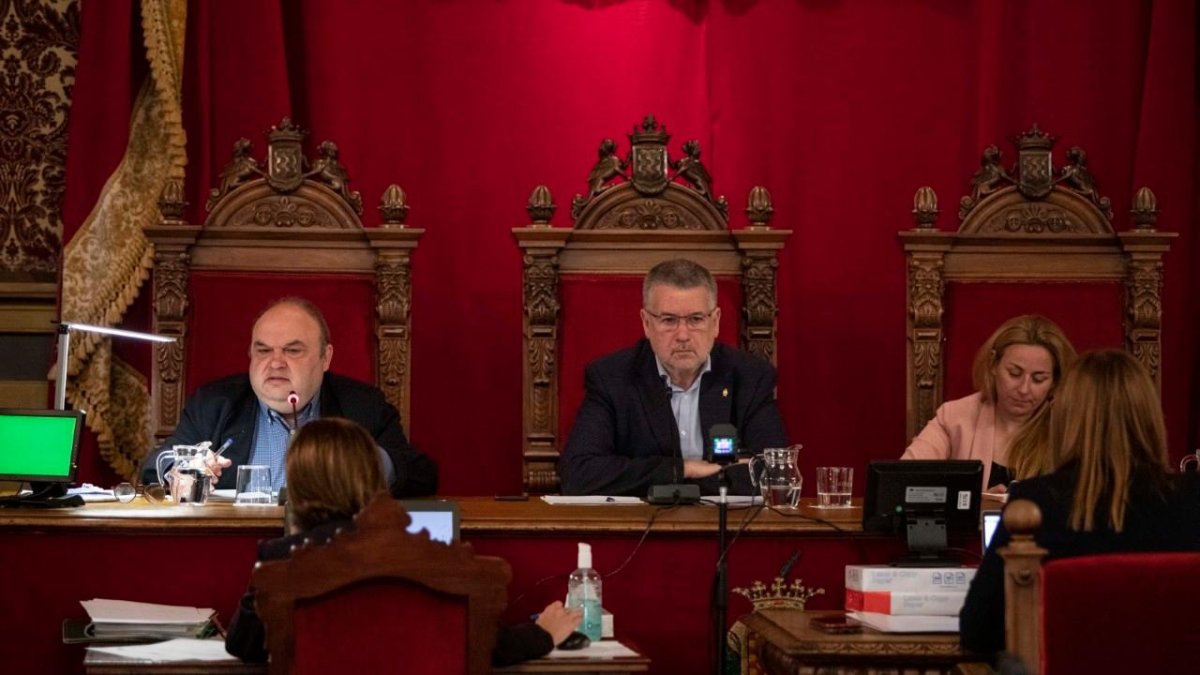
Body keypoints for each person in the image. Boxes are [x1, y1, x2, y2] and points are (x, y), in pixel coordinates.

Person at [225, 418, 581, 666]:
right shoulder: (428, 553)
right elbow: (487, 646)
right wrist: (542, 633)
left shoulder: (280, 558)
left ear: (298, 484)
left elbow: (242, 645)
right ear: (371, 475)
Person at [959, 350, 1200, 654]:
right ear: (1151, 416)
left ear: (1067, 418)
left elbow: (978, 630)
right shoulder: (1192, 498)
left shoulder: (1036, 503)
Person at [139, 297, 437, 497]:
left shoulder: (362, 406)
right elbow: (154, 466)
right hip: (235, 552)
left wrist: (364, 463)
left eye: (293, 350)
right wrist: (179, 472)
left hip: (333, 554)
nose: (276, 362)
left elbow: (421, 475)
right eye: (263, 350)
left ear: (325, 357)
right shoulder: (215, 404)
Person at [559, 258, 788, 496]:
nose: (682, 335)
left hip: (725, 528)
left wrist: (654, 479)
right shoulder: (612, 378)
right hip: (640, 528)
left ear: (716, 322)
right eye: (669, 320)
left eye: (696, 319)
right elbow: (578, 474)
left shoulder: (750, 377)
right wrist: (683, 469)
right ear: (646, 323)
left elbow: (775, 472)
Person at [901, 315, 1076, 491]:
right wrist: (979, 504)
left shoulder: (1069, 428)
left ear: (1055, 381)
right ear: (993, 364)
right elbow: (902, 481)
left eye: (1039, 379)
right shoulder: (954, 416)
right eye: (1015, 373)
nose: (1024, 389)